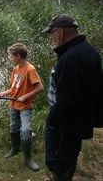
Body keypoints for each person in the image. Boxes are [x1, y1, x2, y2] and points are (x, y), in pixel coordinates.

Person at [41, 14, 103, 180]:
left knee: (59, 162)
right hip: (80, 120)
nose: (52, 38)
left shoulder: (70, 58)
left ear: (60, 32)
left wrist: (52, 122)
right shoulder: (89, 50)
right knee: (70, 156)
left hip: (66, 124)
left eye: (52, 33)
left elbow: (65, 99)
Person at [0, 43, 44, 171]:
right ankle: (14, 149)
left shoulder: (30, 69)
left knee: (26, 130)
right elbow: (14, 88)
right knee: (14, 127)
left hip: (25, 106)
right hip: (13, 105)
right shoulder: (15, 70)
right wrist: (3, 94)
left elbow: (40, 88)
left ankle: (28, 158)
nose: (10, 58)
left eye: (11, 56)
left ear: (18, 56)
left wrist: (25, 96)